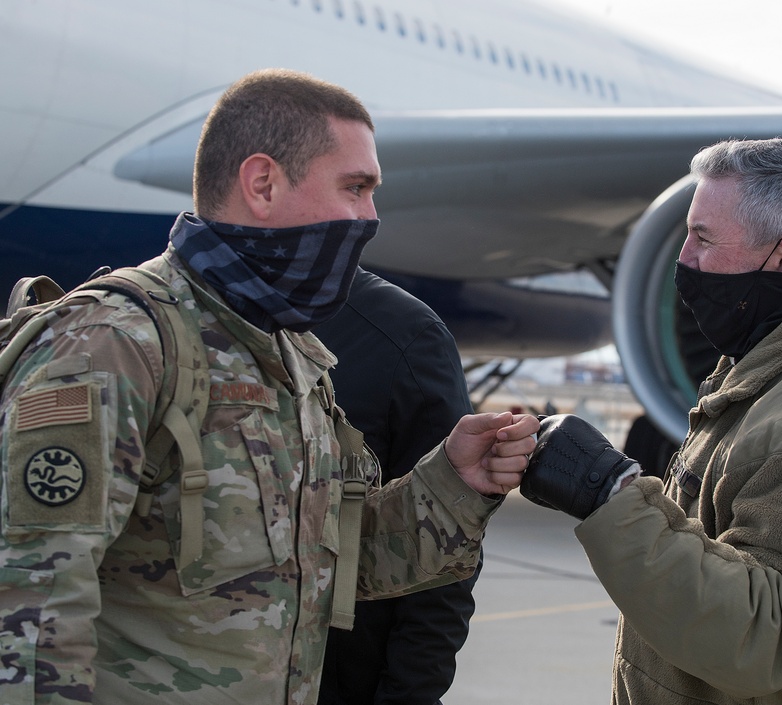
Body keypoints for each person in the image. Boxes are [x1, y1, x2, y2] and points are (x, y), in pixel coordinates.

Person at [0, 68, 538, 705]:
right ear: (262, 183)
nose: (370, 216)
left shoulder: (291, 354)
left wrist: (452, 482)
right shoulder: (115, 342)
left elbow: (323, 565)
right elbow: (29, 608)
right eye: (356, 187)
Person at [521, 137, 782, 704]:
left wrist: (609, 496)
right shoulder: (771, 370)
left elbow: (764, 636)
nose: (684, 260)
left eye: (702, 238)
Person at [314, 268, 479, 705]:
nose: (367, 217)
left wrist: (409, 696)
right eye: (353, 192)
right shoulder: (146, 327)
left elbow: (442, 556)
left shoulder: (402, 336)